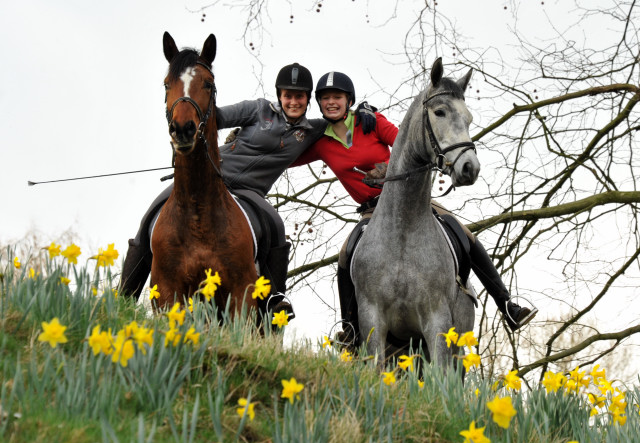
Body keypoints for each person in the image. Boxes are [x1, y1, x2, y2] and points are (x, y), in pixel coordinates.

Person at [291, 71, 537, 345]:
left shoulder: (371, 123)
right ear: (319, 103)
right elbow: (287, 156)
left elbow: (407, 144)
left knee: (462, 232)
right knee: (346, 253)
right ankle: (350, 330)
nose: (331, 102)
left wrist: (387, 169)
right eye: (325, 98)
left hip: (409, 196)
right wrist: (251, 144)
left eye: (337, 96)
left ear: (349, 99)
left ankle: (507, 306)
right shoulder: (320, 141)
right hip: (372, 210)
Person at [119, 63, 376, 318]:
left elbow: (343, 121)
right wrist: (187, 110)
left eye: (299, 96)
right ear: (279, 96)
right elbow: (215, 115)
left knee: (276, 225)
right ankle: (125, 293)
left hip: (249, 192)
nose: (293, 101)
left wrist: (365, 109)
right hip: (211, 177)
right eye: (288, 95)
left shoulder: (313, 131)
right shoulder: (258, 109)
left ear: (308, 99)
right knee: (151, 216)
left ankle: (275, 297)